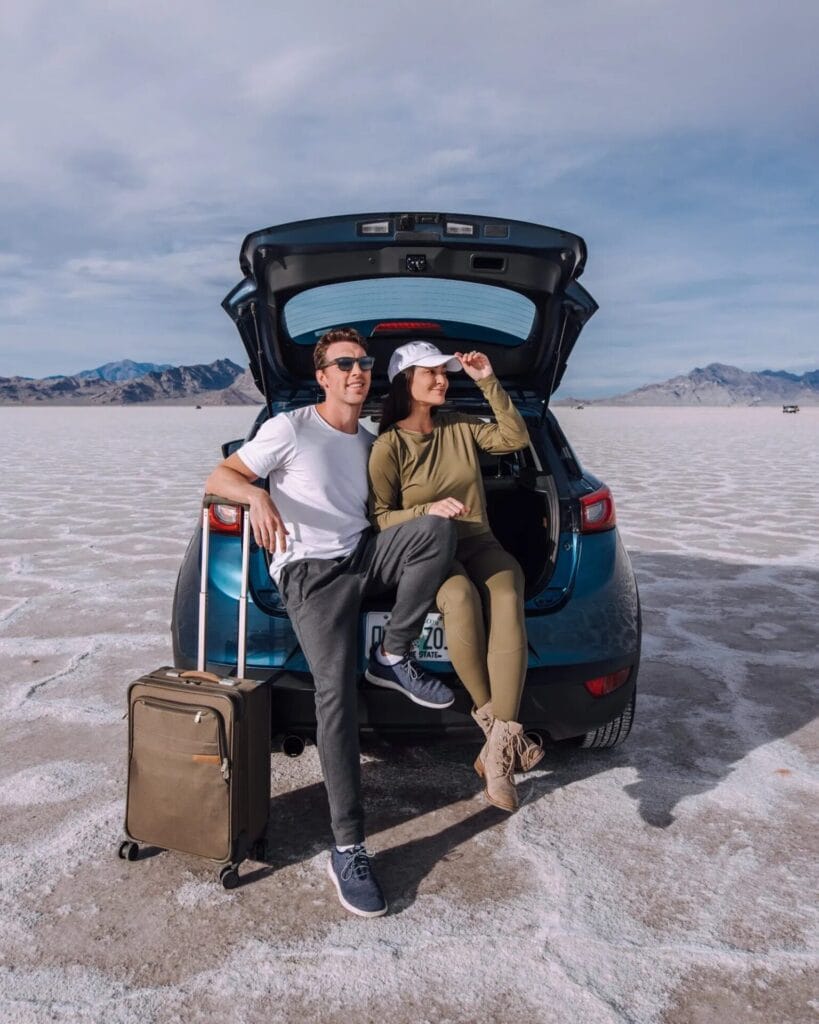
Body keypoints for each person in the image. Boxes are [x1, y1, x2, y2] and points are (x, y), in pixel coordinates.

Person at [204, 327, 456, 918]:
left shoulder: (369, 440)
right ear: (322, 375)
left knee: (436, 532)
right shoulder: (290, 427)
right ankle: (348, 847)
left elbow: (390, 509)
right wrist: (257, 497)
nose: (357, 371)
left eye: (364, 363)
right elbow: (220, 478)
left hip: (365, 555)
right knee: (334, 698)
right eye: (344, 363)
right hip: (311, 576)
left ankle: (393, 654)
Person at [368, 341, 545, 813]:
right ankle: (501, 738)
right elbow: (381, 519)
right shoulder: (388, 446)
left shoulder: (461, 427)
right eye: (432, 373)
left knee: (507, 590)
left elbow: (514, 438)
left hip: (479, 541)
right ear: (406, 380)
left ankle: (498, 750)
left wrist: (487, 379)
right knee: (461, 596)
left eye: (445, 373)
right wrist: (428, 511)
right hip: (431, 554)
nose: (443, 379)